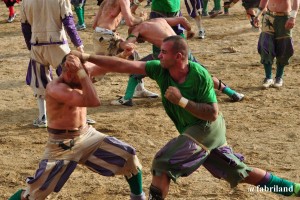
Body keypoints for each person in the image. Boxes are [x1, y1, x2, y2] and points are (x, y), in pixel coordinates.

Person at [71, 35, 300, 199]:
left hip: (207, 128)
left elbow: (212, 112)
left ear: (178, 56)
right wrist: (86, 56)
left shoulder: (198, 75)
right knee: (240, 173)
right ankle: (293, 189)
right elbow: (123, 65)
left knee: (162, 162)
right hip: (194, 130)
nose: (158, 55)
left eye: (163, 52)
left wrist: (181, 101)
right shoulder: (160, 68)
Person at [8, 54, 146, 200]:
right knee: (33, 195)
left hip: (87, 135)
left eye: (72, 71)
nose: (68, 75)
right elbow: (93, 101)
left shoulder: (84, 72)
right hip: (61, 145)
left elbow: (113, 65)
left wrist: (123, 53)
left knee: (129, 156)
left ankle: (138, 197)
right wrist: (80, 72)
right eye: (65, 71)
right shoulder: (55, 88)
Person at [111, 17, 243, 106]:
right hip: (182, 48)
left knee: (136, 69)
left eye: (140, 39)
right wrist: (190, 30)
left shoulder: (137, 29)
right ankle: (232, 93)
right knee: (202, 72)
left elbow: (128, 44)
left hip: (167, 53)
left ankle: (127, 99)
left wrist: (118, 41)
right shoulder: (159, 20)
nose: (141, 41)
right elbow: (182, 19)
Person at [20, 0, 86, 128]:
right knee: (71, 78)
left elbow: (25, 27)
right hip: (58, 44)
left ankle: (43, 116)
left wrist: (30, 46)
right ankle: (76, 113)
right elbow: (68, 22)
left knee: (39, 81)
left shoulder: (26, 1)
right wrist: (78, 43)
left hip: (37, 45)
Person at [92, 0, 158, 98]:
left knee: (134, 56)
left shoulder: (106, 1)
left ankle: (139, 89)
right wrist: (142, 18)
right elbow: (130, 22)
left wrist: (114, 37)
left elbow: (94, 24)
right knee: (101, 68)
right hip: (106, 36)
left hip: (101, 34)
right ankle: (77, 84)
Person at [253, 0, 299, 88]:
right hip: (268, 16)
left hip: (284, 17)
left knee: (284, 47)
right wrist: (257, 14)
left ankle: (279, 77)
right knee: (265, 45)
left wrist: (292, 17)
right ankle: (268, 77)